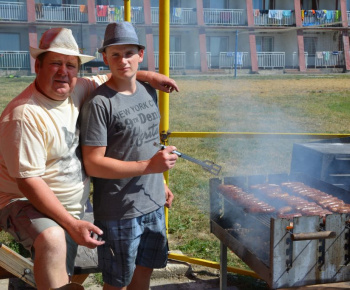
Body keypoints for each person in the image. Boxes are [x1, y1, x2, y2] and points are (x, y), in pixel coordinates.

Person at [0, 27, 178, 290]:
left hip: (73, 203)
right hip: (24, 201)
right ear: (38, 66)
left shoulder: (77, 87)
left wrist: (149, 75)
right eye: (55, 64)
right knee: (53, 239)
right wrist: (71, 224)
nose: (64, 72)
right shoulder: (24, 115)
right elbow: (29, 182)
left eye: (71, 65)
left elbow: (115, 75)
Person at [79, 22, 178, 290]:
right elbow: (94, 163)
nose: (123, 60)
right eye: (115, 55)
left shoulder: (148, 91)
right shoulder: (100, 103)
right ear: (105, 58)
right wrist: (149, 167)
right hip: (119, 211)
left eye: (129, 53)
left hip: (153, 203)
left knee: (144, 274)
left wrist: (161, 182)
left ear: (140, 55)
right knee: (117, 283)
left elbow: (145, 143)